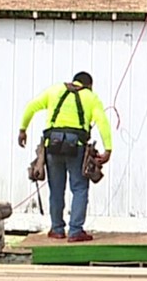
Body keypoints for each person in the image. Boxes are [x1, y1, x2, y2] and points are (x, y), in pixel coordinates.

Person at [18, 71, 112, 242]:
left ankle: (57, 229)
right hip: (76, 147)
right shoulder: (90, 97)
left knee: (56, 189)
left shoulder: (54, 90)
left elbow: (31, 106)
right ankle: (75, 231)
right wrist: (108, 149)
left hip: (52, 146)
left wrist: (23, 130)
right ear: (88, 85)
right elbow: (102, 121)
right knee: (79, 188)